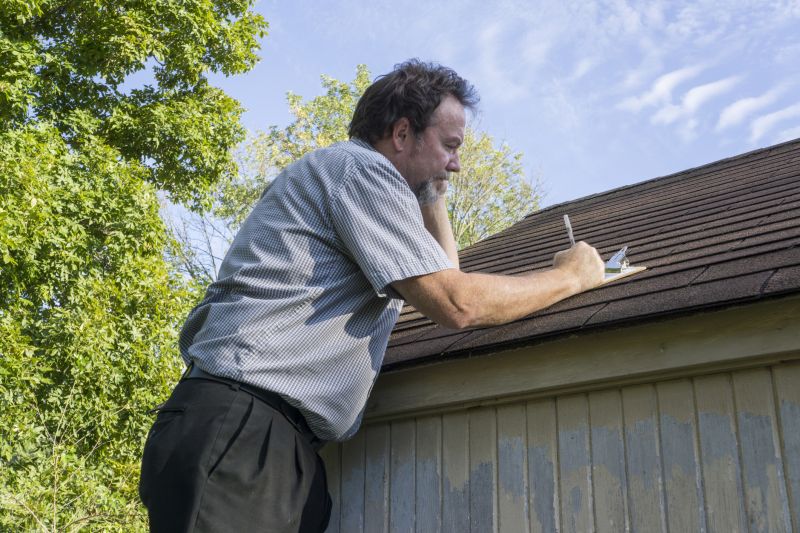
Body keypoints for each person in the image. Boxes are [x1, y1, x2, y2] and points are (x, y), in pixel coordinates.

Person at [139, 59, 604, 532]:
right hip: (242, 430)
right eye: (449, 146)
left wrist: (432, 194)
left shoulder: (362, 184)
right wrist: (572, 278)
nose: (457, 164)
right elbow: (458, 302)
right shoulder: (358, 170)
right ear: (402, 134)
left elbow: (445, 274)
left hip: (273, 441)